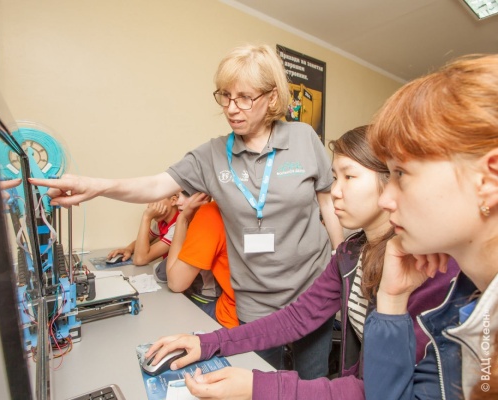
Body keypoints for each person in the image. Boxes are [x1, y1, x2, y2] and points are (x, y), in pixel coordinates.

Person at [31, 44, 345, 376]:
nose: (231, 108)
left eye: (244, 98)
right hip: (256, 303)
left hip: (313, 290)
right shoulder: (212, 155)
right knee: (261, 385)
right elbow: (156, 185)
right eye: (225, 96)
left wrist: (342, 261)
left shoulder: (303, 138)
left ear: (271, 97)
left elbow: (327, 202)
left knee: (313, 384)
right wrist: (98, 186)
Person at [140, 126, 459, 399]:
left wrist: (257, 387)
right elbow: (296, 317)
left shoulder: (430, 268)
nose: (335, 192)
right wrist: (208, 343)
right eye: (334, 177)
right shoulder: (351, 253)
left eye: (349, 176)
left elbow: (382, 391)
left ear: (391, 182)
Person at [362, 54, 498, 400]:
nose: (385, 200)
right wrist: (392, 298)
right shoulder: (462, 303)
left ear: (489, 179)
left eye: (401, 173)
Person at [166, 191, 238, 329]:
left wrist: (182, 219)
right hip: (275, 316)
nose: (177, 202)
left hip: (233, 317)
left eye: (186, 194)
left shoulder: (211, 213)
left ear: (205, 195)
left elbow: (176, 283)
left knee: (171, 317)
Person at [107, 194, 179, 266]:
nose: (149, 206)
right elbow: (144, 238)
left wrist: (146, 217)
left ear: (173, 200)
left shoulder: (177, 226)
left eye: (155, 200)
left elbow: (140, 260)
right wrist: (129, 249)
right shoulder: (163, 222)